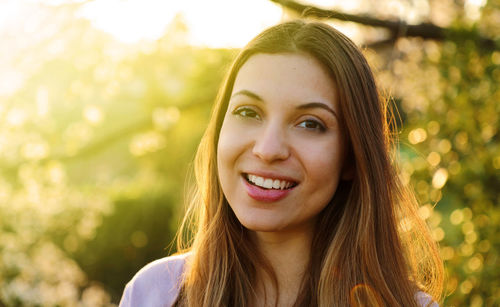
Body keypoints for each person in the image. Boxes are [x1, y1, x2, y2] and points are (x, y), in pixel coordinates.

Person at [119, 20, 443, 307]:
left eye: (310, 124)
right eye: (248, 112)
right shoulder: (154, 294)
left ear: (352, 157)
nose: (268, 149)